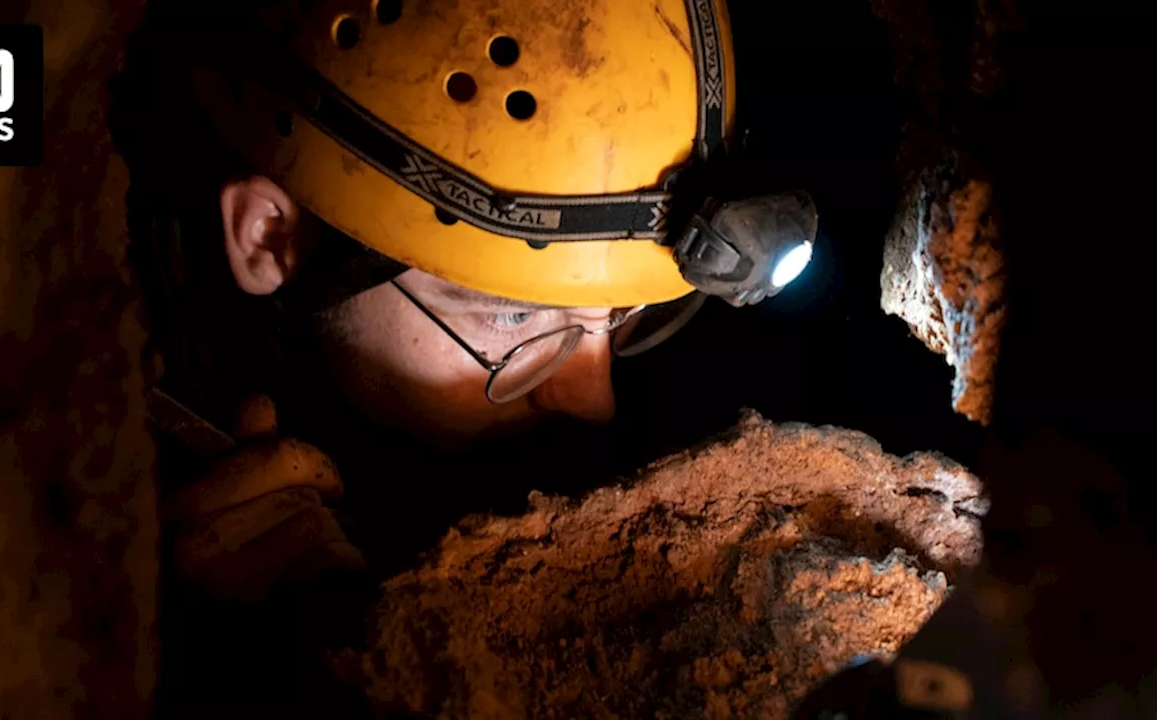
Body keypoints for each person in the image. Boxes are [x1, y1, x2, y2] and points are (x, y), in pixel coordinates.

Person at [106, 0, 808, 715]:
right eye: (514, 314)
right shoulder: (79, 392)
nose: (594, 398)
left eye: (625, 313)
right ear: (268, 237)